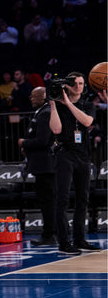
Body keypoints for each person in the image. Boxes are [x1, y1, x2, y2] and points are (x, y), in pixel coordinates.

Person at [49, 72, 101, 254]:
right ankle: (64, 243)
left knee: (83, 199)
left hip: (83, 155)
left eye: (81, 83)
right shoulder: (58, 106)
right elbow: (56, 129)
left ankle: (80, 239)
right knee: (62, 199)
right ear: (67, 86)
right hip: (64, 153)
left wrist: (68, 103)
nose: (78, 86)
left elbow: (87, 122)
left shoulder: (87, 105)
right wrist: (54, 105)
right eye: (74, 83)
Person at [18, 87, 57, 245]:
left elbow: (42, 140)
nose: (30, 98)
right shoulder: (42, 111)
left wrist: (24, 143)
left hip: (45, 165)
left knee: (48, 201)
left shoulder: (45, 112)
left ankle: (49, 235)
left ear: (43, 97)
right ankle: (51, 234)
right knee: (46, 200)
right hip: (43, 165)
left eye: (34, 96)